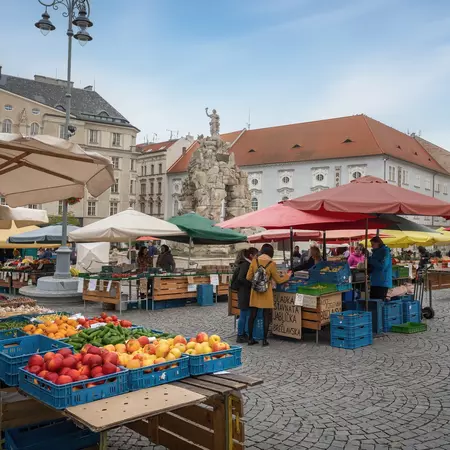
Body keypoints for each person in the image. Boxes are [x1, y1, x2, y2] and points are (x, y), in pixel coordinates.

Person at [246, 244, 291, 346]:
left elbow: (248, 277)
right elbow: (279, 280)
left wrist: (257, 280)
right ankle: (264, 340)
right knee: (266, 315)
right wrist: (287, 276)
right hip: (266, 293)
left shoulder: (254, 261)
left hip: (255, 292)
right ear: (271, 253)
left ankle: (250, 339)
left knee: (252, 316)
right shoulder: (271, 264)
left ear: (261, 251)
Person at [232, 247, 258, 343]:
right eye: (256, 256)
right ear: (251, 256)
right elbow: (240, 278)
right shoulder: (246, 264)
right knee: (243, 314)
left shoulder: (246, 263)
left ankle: (243, 334)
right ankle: (240, 335)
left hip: (244, 292)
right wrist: (251, 284)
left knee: (245, 314)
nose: (257, 258)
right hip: (244, 293)